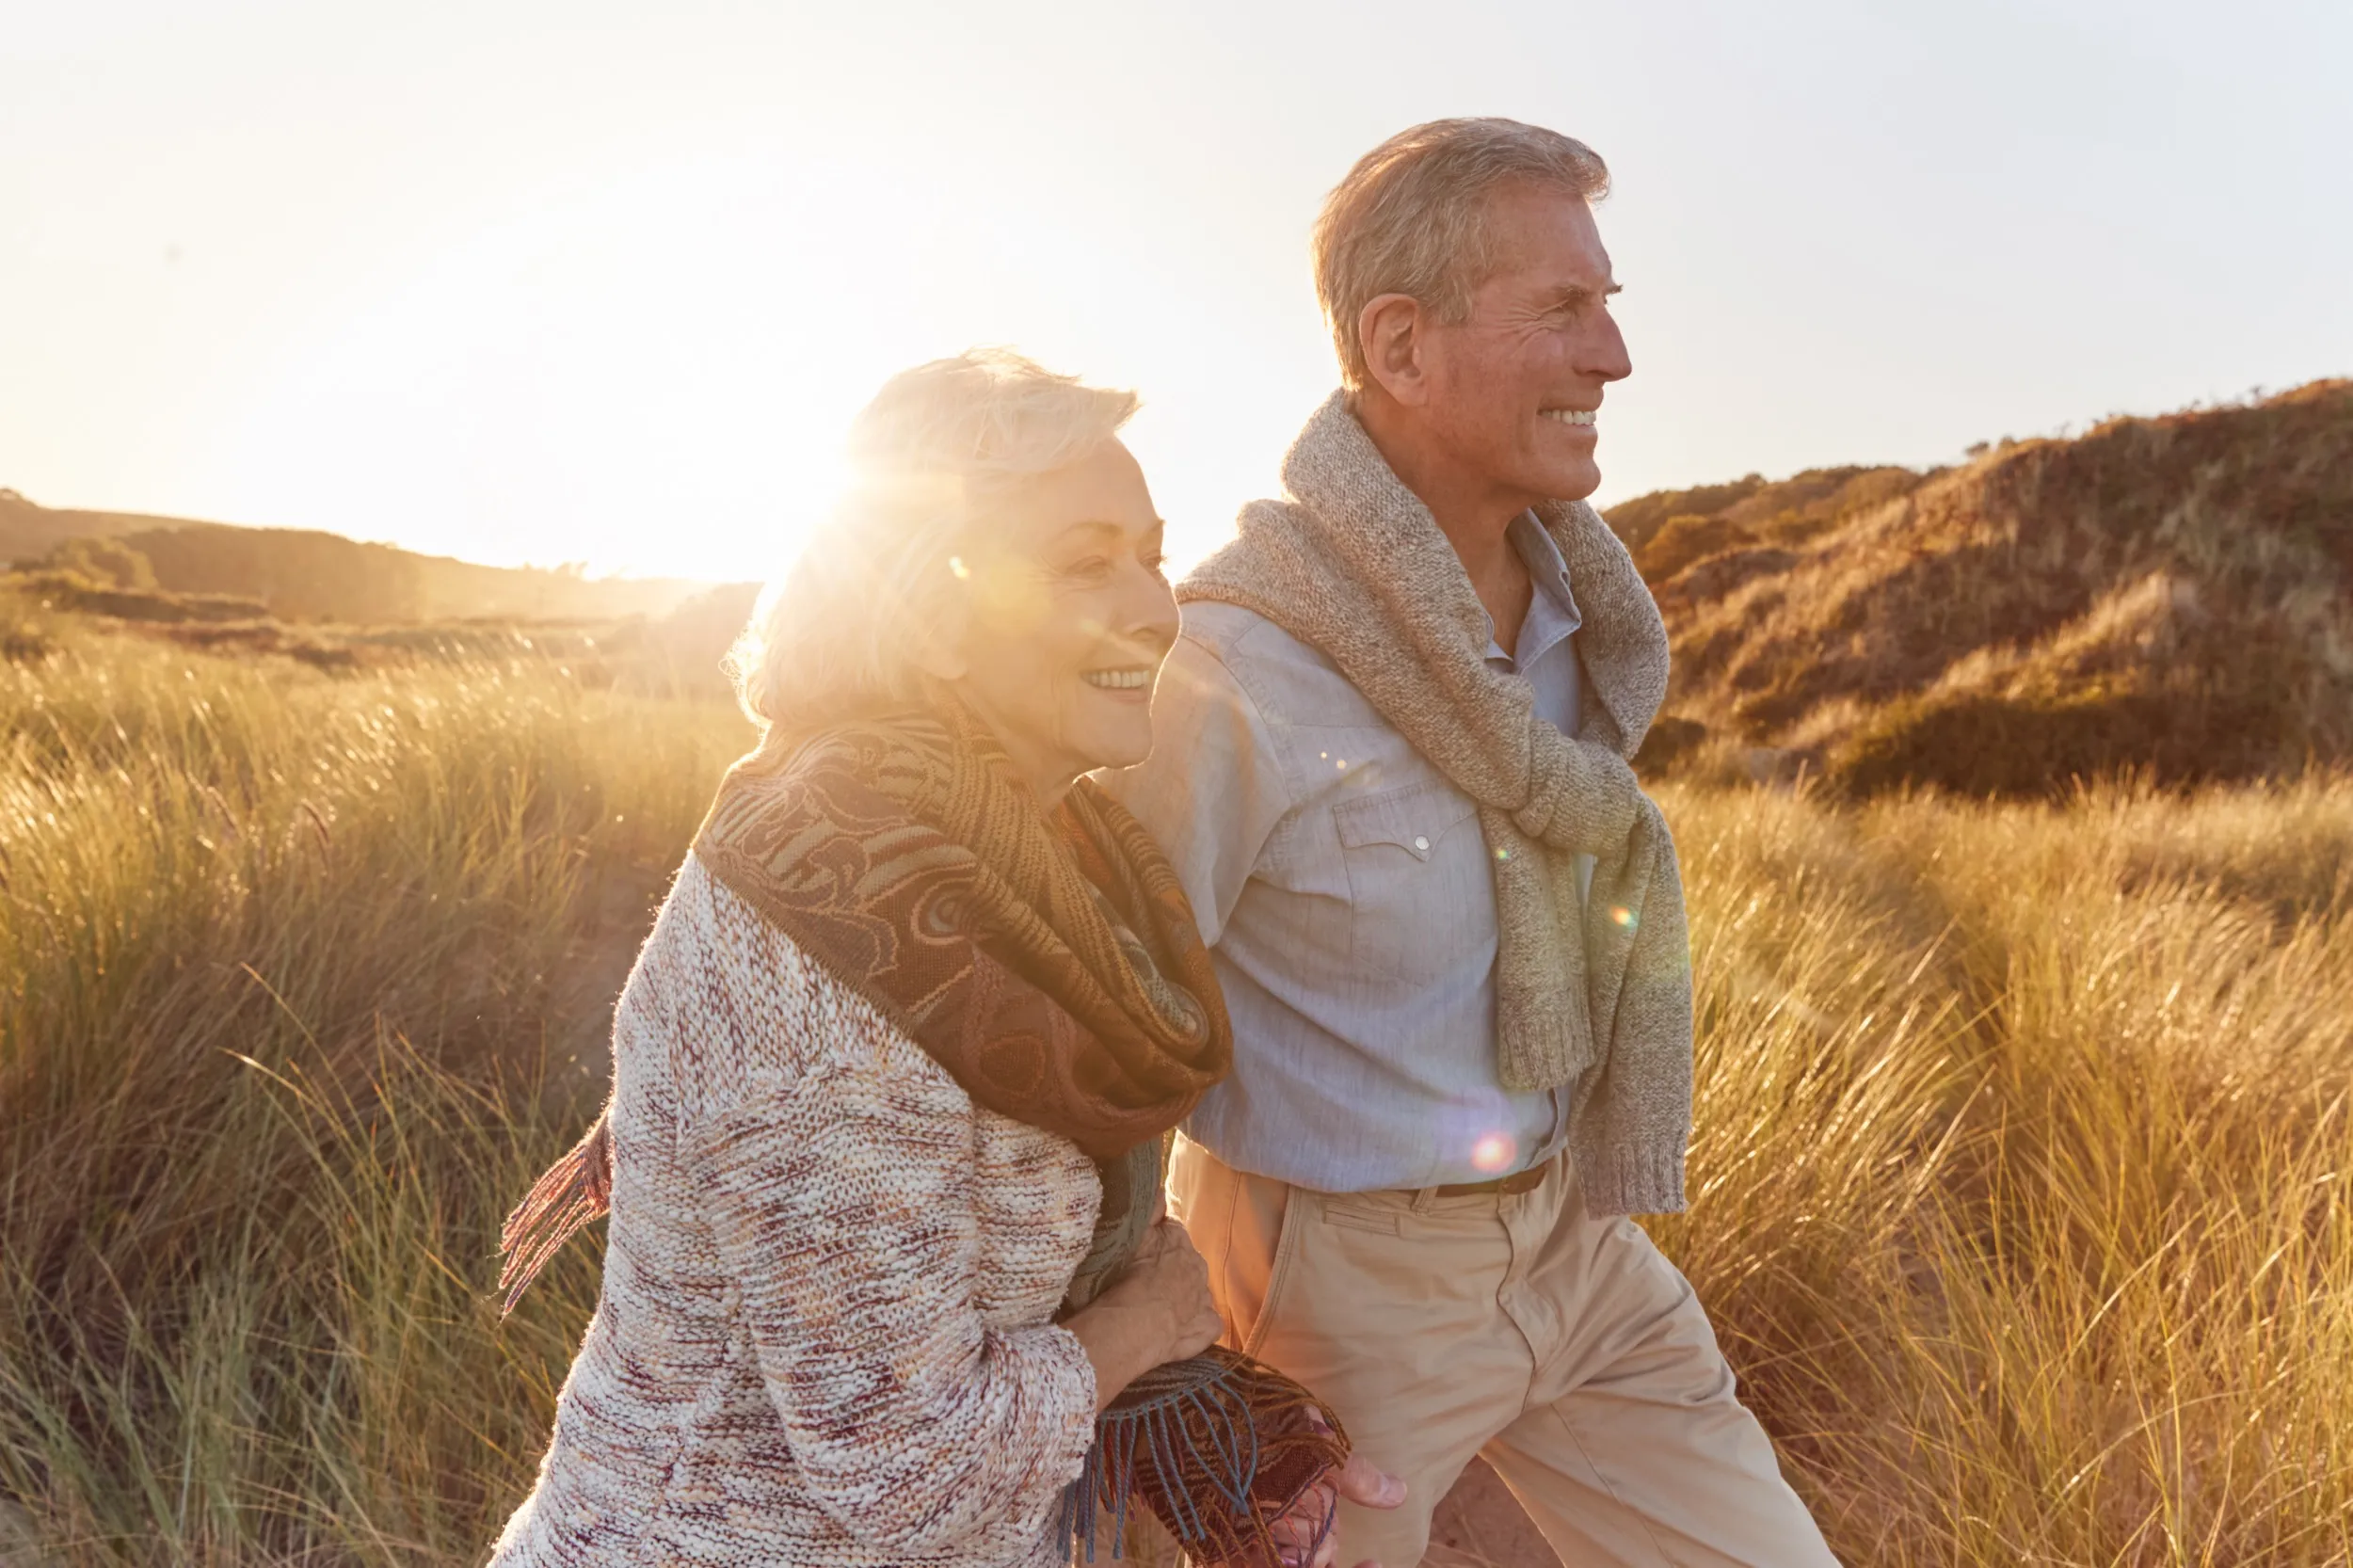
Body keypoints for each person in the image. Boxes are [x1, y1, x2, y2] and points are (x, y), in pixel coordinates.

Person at [486, 350, 1396, 1568]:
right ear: (929, 616)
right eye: (1086, 563)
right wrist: (1148, 1323)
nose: (1154, 608)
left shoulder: (1037, 864)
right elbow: (906, 1470)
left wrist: (1211, 1412)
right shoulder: (829, 932)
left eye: (1150, 555)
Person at [1103, 120, 1842, 1567]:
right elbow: (1100, 1037)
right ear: (1401, 344)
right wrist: (1161, 1340)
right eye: (1563, 308)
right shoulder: (1233, 665)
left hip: (1577, 1240)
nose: (1614, 356)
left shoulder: (1586, 626)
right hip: (1335, 1296)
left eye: (1608, 304)